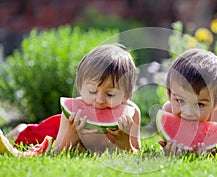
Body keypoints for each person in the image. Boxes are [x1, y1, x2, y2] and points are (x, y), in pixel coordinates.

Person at [3, 44, 141, 154]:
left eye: (110, 94)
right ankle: (17, 130)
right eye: (92, 91)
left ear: (126, 95)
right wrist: (71, 135)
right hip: (57, 129)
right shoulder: (71, 113)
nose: (99, 100)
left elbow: (136, 152)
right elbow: (56, 152)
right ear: (80, 88)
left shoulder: (131, 113)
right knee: (27, 133)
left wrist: (125, 142)